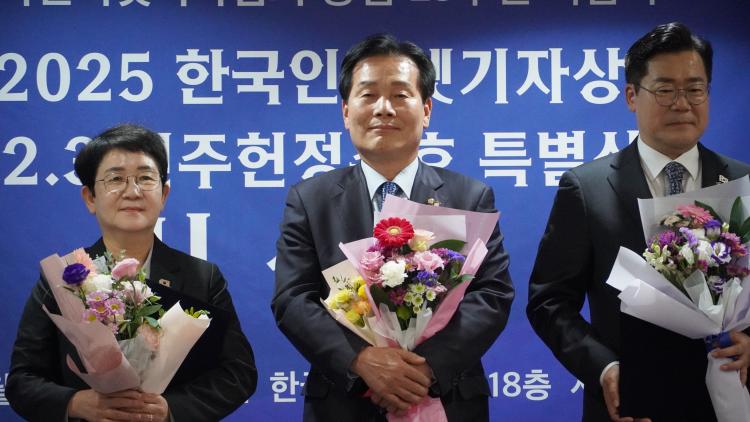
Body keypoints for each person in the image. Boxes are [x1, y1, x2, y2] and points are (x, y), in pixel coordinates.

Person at [272, 34, 514, 421]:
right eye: (368, 95)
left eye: (400, 95)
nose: (384, 109)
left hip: (445, 397)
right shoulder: (310, 199)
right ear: (346, 111)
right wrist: (361, 360)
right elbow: (293, 299)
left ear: (427, 109)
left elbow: (491, 294)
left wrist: (424, 368)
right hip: (345, 403)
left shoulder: (468, 196)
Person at [527, 22, 750, 422]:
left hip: (731, 399)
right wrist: (603, 368)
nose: (682, 103)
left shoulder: (743, 183)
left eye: (695, 89)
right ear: (632, 95)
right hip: (629, 404)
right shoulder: (587, 188)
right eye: (665, 90)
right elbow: (549, 302)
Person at [6, 124, 257, 421]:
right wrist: (76, 403)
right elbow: (22, 380)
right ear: (90, 198)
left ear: (164, 195)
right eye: (116, 179)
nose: (133, 191)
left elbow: (238, 373)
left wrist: (171, 409)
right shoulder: (63, 278)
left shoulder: (202, 278)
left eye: (145, 178)